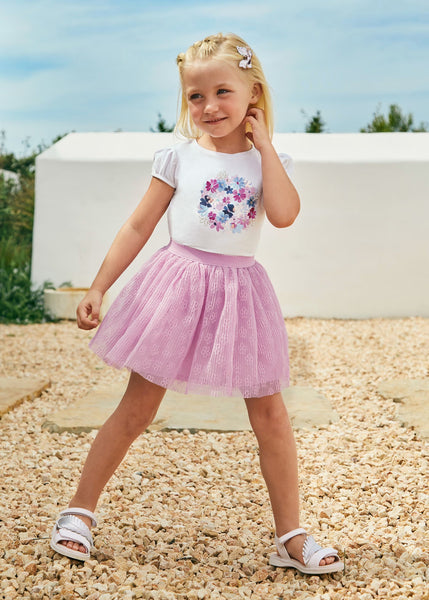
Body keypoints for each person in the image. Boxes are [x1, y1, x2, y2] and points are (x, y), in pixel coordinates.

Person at [50, 32, 343, 575]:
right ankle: (78, 511)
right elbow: (138, 226)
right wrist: (98, 286)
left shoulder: (269, 162)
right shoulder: (179, 157)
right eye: (195, 96)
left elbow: (283, 216)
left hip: (241, 296)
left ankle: (290, 535)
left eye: (223, 92)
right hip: (176, 291)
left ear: (254, 94)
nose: (209, 107)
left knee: (272, 415)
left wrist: (265, 148)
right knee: (137, 407)